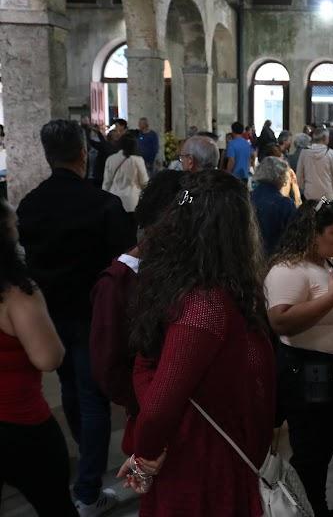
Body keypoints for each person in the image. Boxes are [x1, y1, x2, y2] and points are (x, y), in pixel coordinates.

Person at [119, 170, 275, 516]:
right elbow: (161, 399)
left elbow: (147, 366)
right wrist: (146, 454)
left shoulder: (189, 289)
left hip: (202, 448)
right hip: (203, 462)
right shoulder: (207, 304)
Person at [16, 119, 136, 515]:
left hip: (51, 315)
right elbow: (125, 263)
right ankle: (87, 490)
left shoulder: (30, 205)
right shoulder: (102, 204)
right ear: (84, 154)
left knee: (71, 389)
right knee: (93, 399)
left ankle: (87, 466)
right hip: (92, 317)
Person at [265, 200, 333, 517]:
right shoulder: (287, 270)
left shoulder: (321, 261)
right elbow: (282, 321)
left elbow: (331, 302)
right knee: (312, 449)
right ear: (312, 234)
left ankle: (314, 506)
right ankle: (308, 509)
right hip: (311, 373)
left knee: (321, 447)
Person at [90, 170, 183, 457]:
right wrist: (144, 403)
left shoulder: (178, 267)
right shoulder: (118, 281)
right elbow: (108, 366)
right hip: (151, 410)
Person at [0, 200, 77, 516]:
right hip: (21, 427)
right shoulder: (17, 294)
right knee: (56, 507)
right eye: (14, 225)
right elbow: (49, 358)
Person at [251, 157, 297, 256]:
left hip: (250, 256)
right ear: (280, 176)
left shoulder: (248, 197)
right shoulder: (284, 204)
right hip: (275, 258)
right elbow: (295, 237)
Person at [102, 132, 149, 217]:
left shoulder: (110, 159)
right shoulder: (138, 160)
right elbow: (144, 182)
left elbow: (106, 183)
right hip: (132, 202)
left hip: (114, 201)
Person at [297, 128, 333, 204]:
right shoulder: (331, 153)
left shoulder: (304, 153)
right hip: (328, 195)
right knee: (326, 214)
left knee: (312, 214)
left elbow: (299, 174)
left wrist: (302, 188)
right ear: (325, 138)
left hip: (310, 194)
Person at [82, 115, 111, 188]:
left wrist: (91, 131)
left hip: (97, 175)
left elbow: (92, 142)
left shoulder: (103, 145)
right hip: (99, 174)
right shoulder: (106, 144)